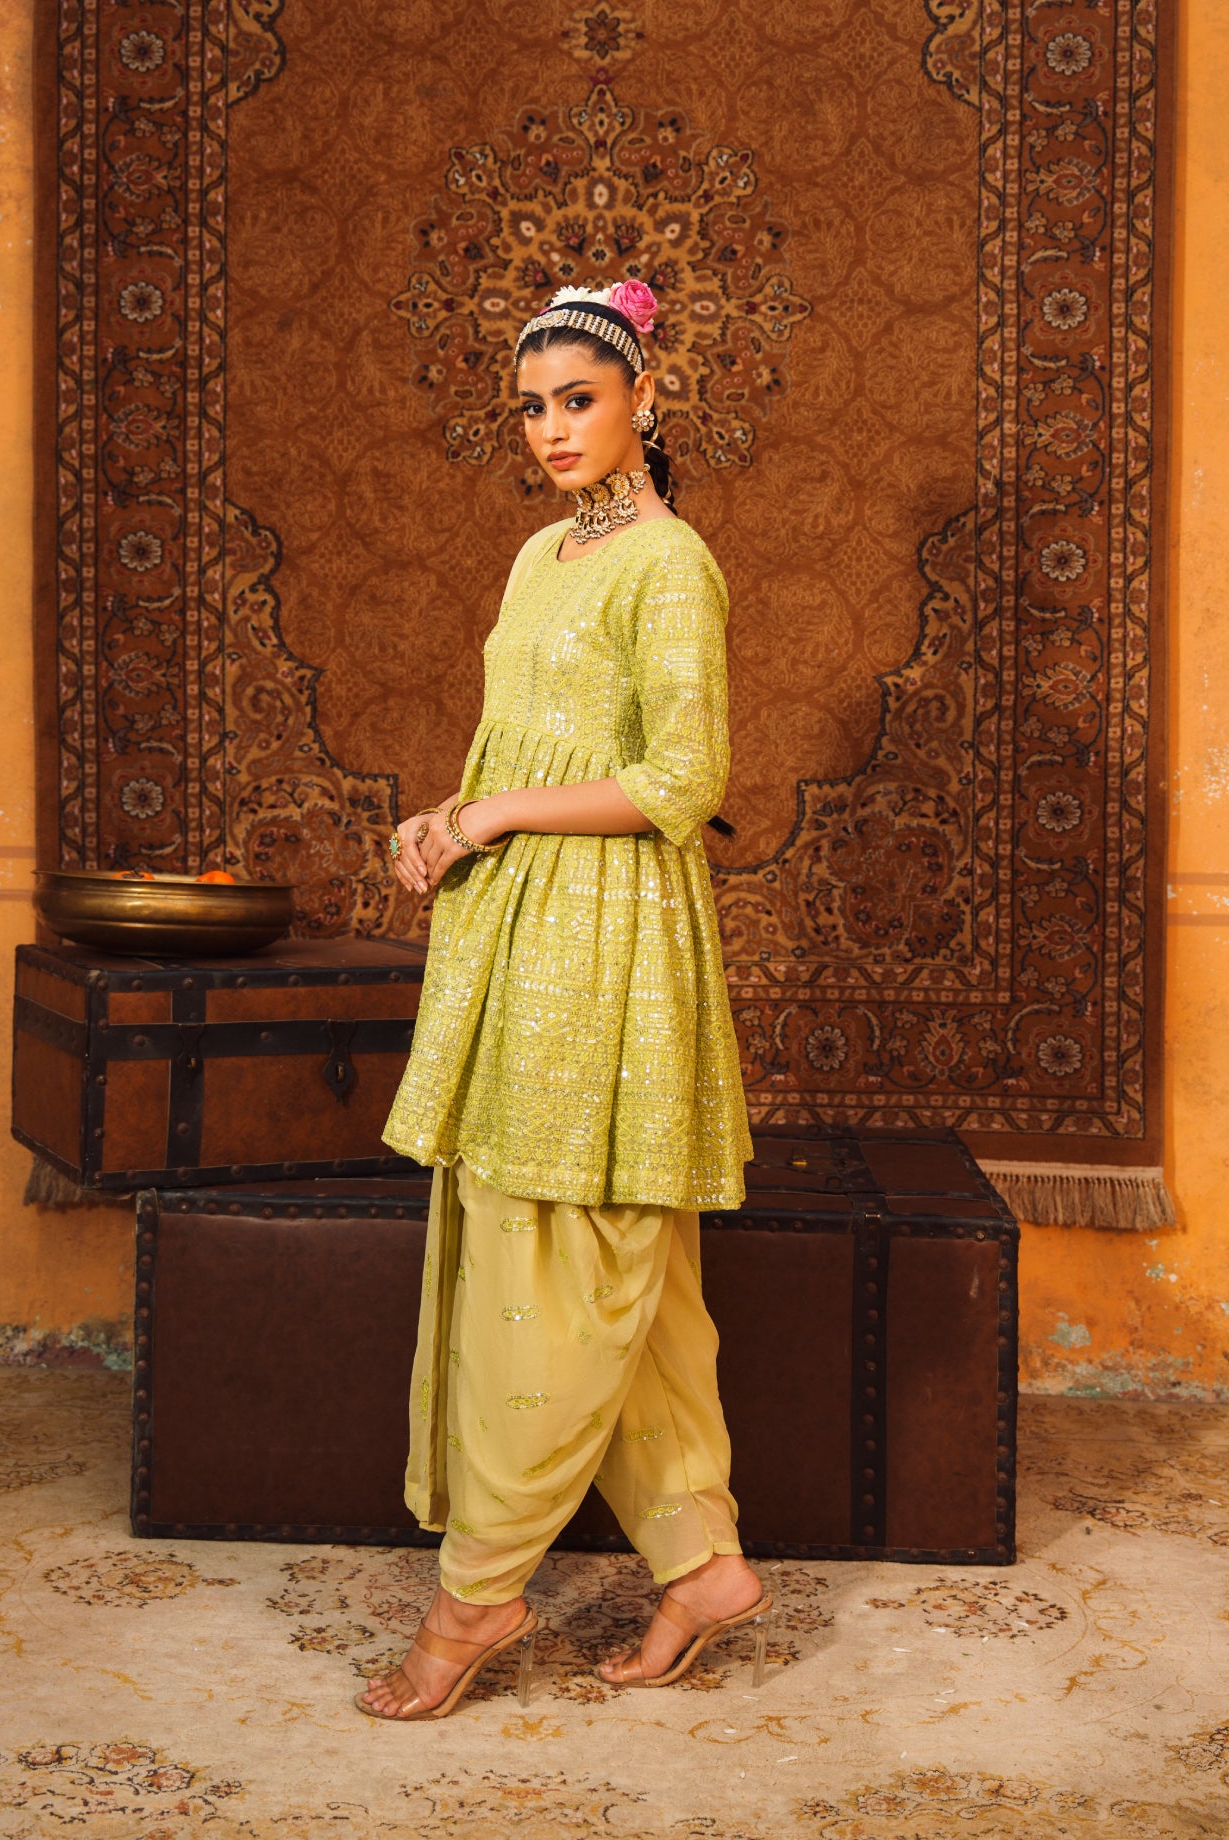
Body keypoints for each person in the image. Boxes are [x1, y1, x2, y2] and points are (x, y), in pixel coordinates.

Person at [359, 280, 769, 1722]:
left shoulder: (672, 563)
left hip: (612, 942)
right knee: (591, 1258)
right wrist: (448, 818)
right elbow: (523, 746)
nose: (550, 429)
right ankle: (704, 1565)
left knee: (568, 1257)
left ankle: (477, 1595)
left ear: (644, 398)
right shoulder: (540, 555)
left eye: (578, 400)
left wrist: (491, 820)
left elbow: (683, 782)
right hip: (519, 930)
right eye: (532, 407)